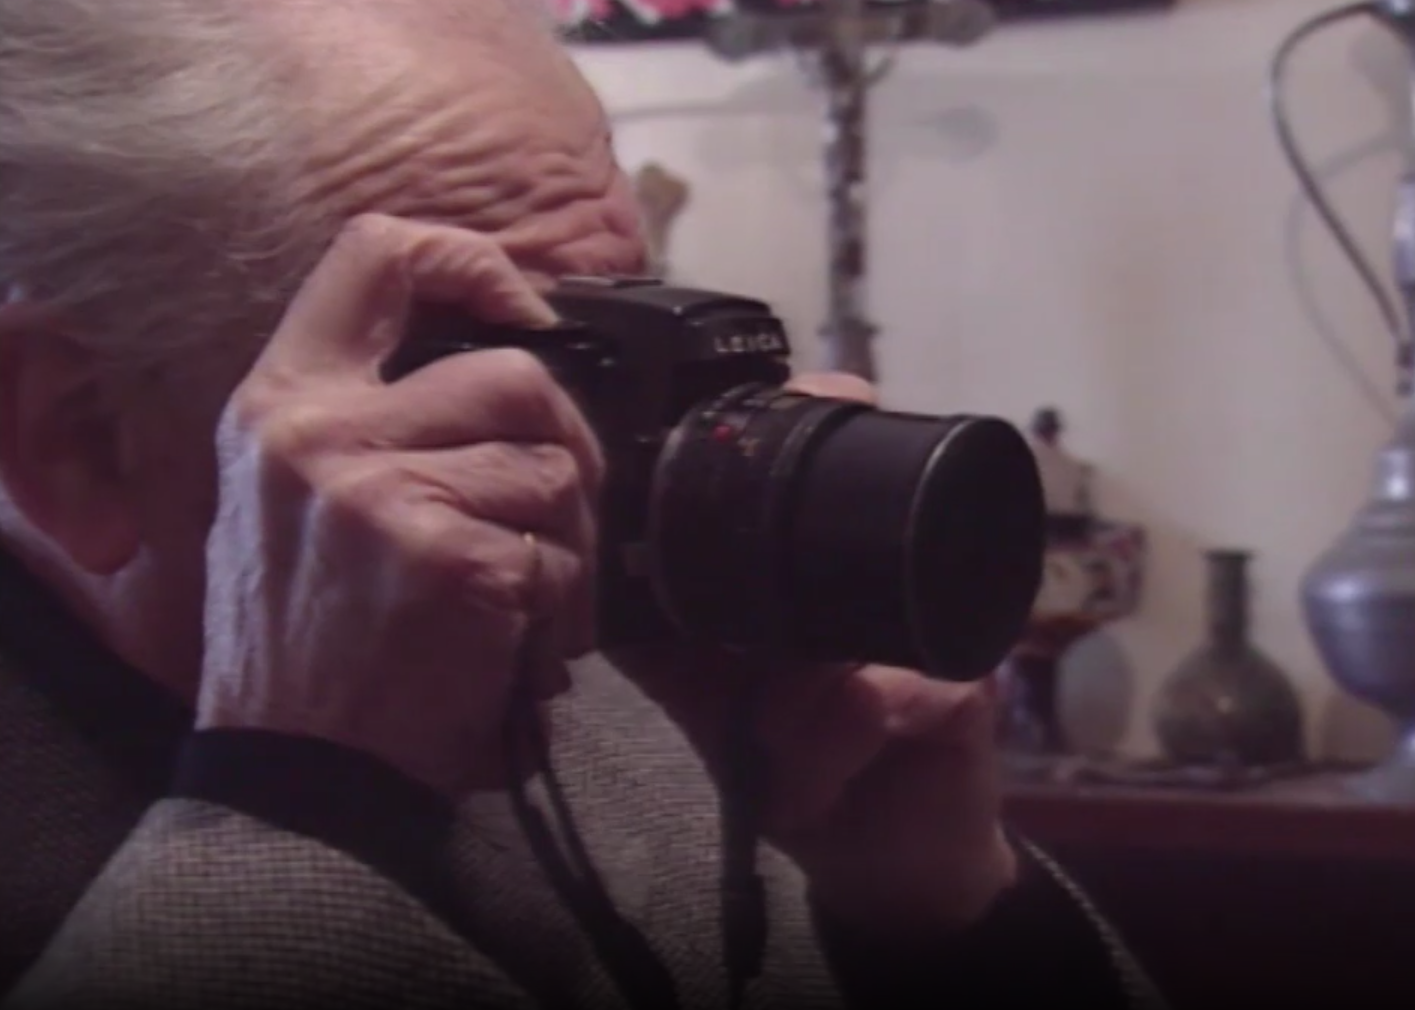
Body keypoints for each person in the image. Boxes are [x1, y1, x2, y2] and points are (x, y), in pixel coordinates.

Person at [0, 0, 1165, 1007]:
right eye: (502, 359)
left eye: (619, 322)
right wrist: (304, 792)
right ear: (80, 438)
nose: (584, 454)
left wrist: (945, 922)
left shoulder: (629, 715)